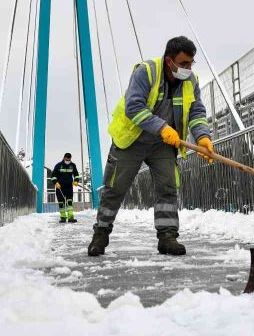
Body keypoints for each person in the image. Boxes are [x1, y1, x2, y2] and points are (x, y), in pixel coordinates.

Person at [88, 36, 214, 257]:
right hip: (132, 139)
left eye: (191, 63)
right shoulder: (146, 72)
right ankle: (101, 233)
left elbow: (196, 111)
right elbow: (133, 107)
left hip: (162, 144)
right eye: (183, 63)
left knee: (168, 188)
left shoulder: (190, 81)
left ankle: (167, 237)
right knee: (114, 189)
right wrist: (163, 127)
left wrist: (203, 137)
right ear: (169, 61)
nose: (188, 68)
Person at [51, 153, 80, 223]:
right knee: (61, 202)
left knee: (69, 202)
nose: (68, 161)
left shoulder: (73, 165)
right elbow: (53, 175)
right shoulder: (58, 165)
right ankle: (63, 217)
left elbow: (76, 175)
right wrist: (56, 183)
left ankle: (70, 217)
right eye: (67, 159)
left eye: (69, 160)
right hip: (60, 187)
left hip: (69, 187)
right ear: (64, 158)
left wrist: (76, 181)